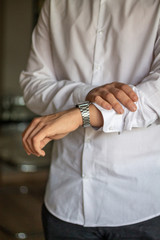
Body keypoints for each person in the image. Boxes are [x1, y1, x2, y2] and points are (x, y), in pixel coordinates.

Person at [20, 0, 160, 239]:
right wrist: (86, 94)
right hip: (65, 202)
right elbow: (33, 85)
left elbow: (156, 95)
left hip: (141, 205)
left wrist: (81, 114)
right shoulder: (55, 5)